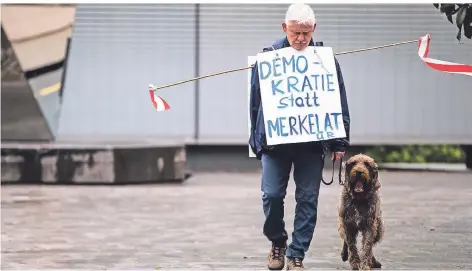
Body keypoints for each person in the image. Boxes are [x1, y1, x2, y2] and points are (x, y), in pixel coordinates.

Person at [248, 3, 351, 270]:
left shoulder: (325, 60)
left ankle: (297, 254)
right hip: (275, 144)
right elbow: (255, 103)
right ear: (285, 28)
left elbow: (338, 100)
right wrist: (256, 140)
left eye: (306, 33)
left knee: (308, 199)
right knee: (270, 195)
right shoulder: (269, 58)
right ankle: (277, 242)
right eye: (295, 33)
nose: (301, 39)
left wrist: (339, 141)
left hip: (310, 145)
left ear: (313, 28)